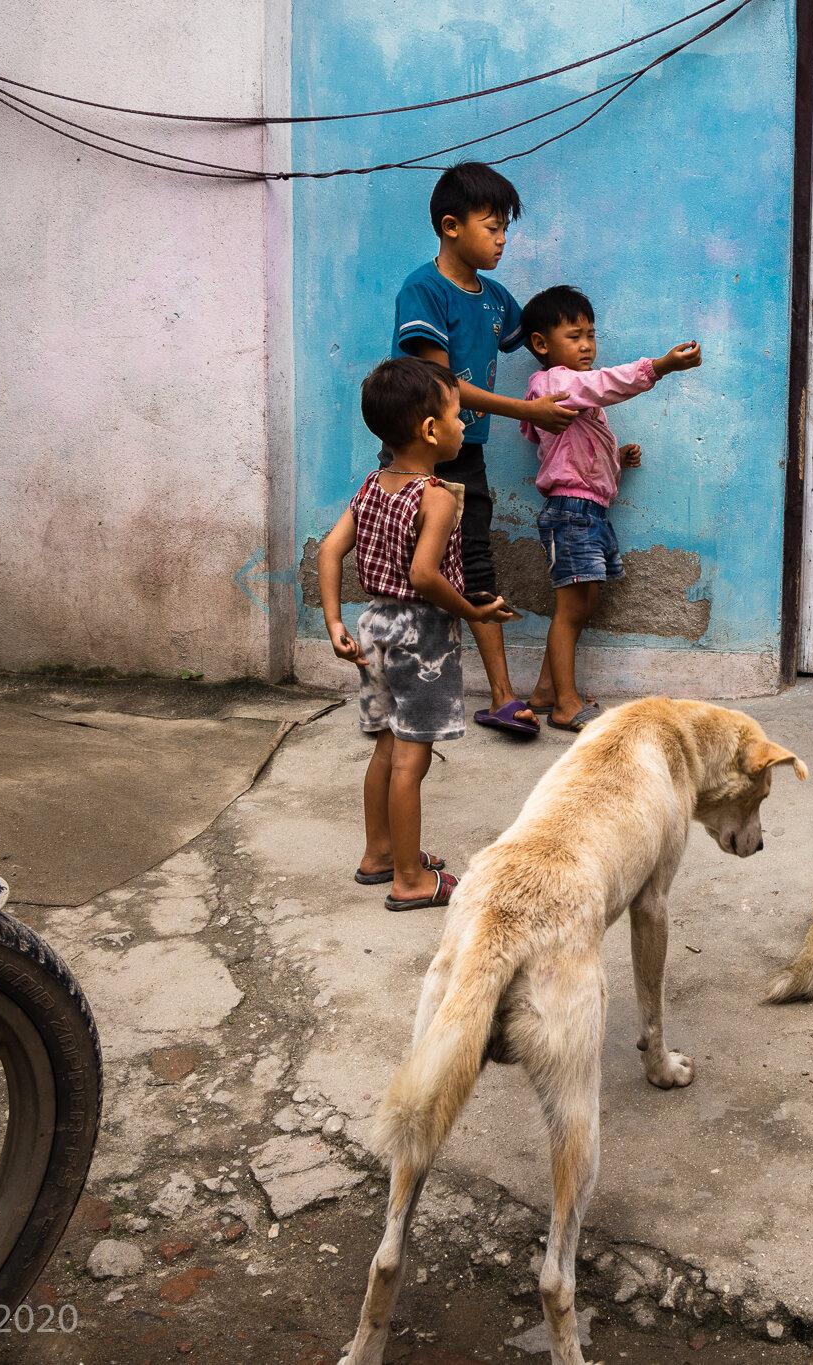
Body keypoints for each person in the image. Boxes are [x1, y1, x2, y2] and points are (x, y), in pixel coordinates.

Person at [318, 357, 520, 909]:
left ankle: (379, 854)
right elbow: (425, 576)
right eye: (459, 416)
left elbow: (330, 550)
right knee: (414, 758)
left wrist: (335, 623)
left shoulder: (372, 486)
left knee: (387, 743)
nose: (464, 426)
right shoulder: (435, 496)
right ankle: (410, 879)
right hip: (422, 637)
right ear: (430, 430)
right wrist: (474, 614)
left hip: (376, 626)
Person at [393, 161, 577, 738]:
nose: (502, 240)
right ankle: (404, 685)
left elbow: (539, 339)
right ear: (451, 226)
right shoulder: (423, 290)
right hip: (416, 455)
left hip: (466, 451)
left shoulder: (496, 298)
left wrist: (586, 361)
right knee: (411, 568)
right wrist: (528, 411)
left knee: (477, 562)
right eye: (492, 228)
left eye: (505, 229)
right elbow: (444, 384)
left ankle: (502, 697)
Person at [514, 285, 703, 731]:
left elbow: (570, 450)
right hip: (571, 512)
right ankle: (565, 703)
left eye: (591, 335)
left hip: (589, 512)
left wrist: (615, 459)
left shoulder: (569, 391)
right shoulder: (554, 384)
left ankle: (545, 690)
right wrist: (659, 367)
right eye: (575, 336)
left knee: (585, 604)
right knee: (570, 609)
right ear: (541, 345)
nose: (587, 345)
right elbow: (601, 386)